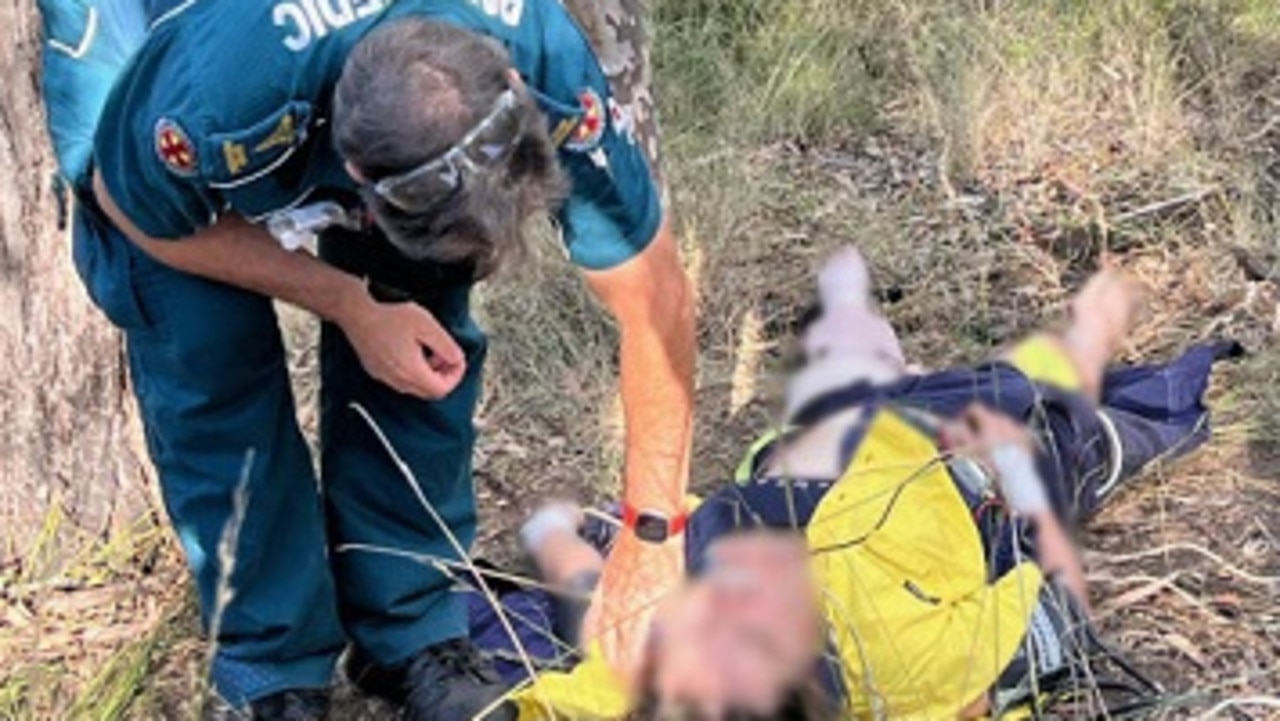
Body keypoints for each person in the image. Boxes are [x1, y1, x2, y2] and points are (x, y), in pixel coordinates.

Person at [36, 0, 694, 718]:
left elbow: (655, 298)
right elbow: (133, 212)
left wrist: (653, 535)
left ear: (511, 81)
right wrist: (349, 301)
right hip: (164, 43)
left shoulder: (543, 56)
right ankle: (270, 656)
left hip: (337, 88)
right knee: (208, 352)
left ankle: (409, 625)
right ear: (351, 176)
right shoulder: (211, 97)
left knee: (426, 296)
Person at [455, 249, 1236, 719]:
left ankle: (869, 334)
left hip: (917, 464)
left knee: (1058, 414)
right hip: (899, 460)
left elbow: (1040, 606)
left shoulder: (912, 667)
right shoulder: (660, 652)